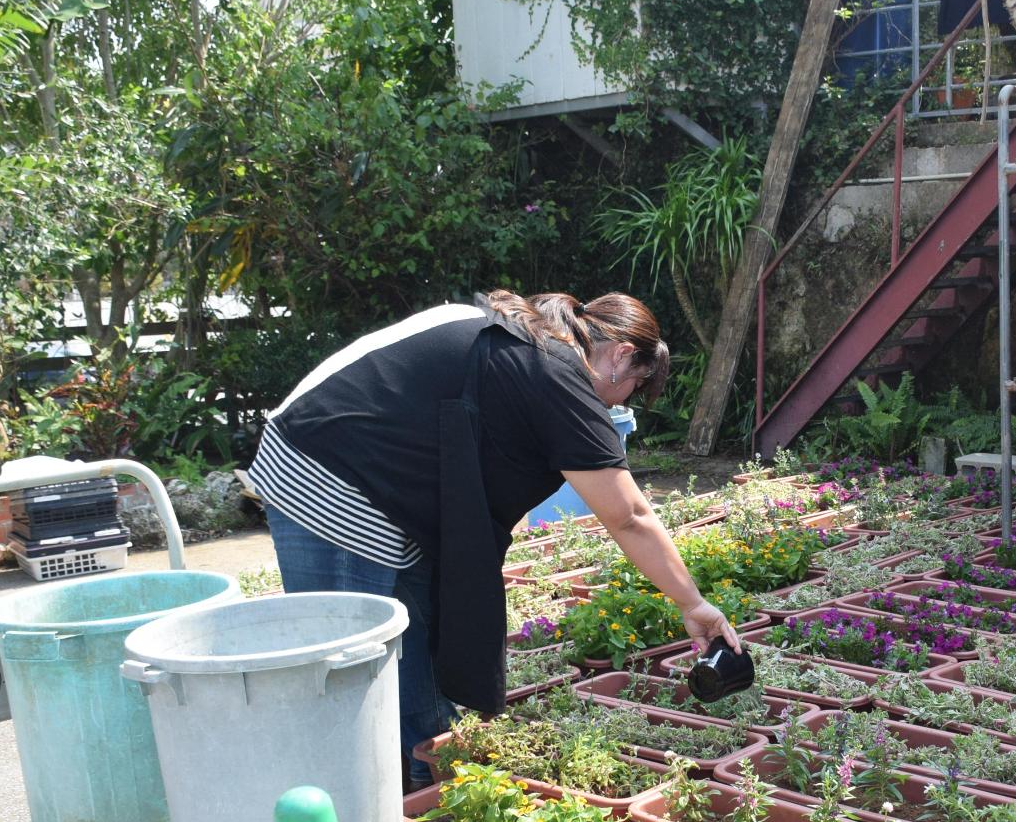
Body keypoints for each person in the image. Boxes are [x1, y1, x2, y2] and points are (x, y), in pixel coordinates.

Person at [247, 291, 741, 783]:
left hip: (375, 477)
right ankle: (342, 806)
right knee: (351, 664)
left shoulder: (530, 341)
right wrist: (692, 603)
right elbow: (629, 516)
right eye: (633, 386)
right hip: (328, 475)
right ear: (621, 356)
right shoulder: (556, 372)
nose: (621, 401)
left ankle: (431, 776)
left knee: (416, 636)